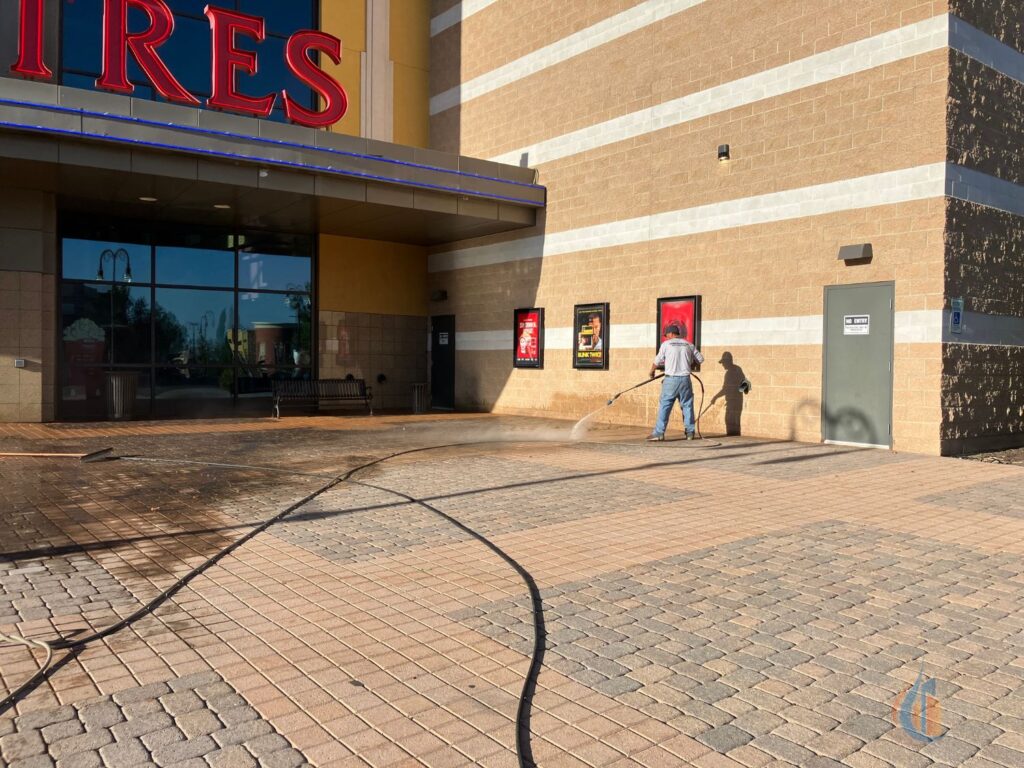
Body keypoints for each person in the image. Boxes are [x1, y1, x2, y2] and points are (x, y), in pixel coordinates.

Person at [647, 324, 704, 441]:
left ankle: (659, 433)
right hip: (685, 380)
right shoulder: (689, 344)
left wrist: (651, 372)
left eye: (667, 335)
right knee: (687, 406)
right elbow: (700, 359)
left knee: (665, 406)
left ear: (671, 334)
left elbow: (657, 360)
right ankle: (690, 433)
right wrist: (690, 365)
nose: (666, 337)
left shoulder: (666, 344)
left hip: (671, 380)